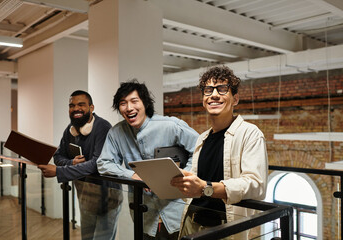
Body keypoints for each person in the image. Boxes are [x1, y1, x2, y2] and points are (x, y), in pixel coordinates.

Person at [171, 65, 268, 239]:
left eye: (222, 89)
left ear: (235, 99)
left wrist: (206, 188)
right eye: (208, 90)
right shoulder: (202, 138)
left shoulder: (250, 133)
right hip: (191, 223)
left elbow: (256, 185)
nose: (214, 95)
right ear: (203, 100)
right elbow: (198, 179)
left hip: (225, 228)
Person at [96, 79, 199, 239]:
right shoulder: (116, 133)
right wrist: (132, 175)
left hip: (175, 210)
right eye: (123, 103)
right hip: (143, 212)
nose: (129, 108)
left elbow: (200, 149)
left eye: (134, 101)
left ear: (145, 103)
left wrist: (184, 174)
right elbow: (103, 163)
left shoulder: (170, 125)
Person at [37, 90, 122, 240]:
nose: (76, 108)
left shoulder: (102, 127)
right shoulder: (70, 130)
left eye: (81, 104)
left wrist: (59, 172)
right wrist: (71, 162)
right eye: (72, 105)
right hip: (85, 197)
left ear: (92, 107)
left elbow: (97, 164)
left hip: (108, 197)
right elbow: (58, 156)